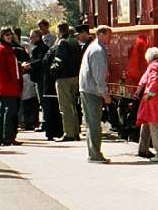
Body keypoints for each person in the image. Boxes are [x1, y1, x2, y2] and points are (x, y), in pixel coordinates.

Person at [79, 24, 113, 163]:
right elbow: (99, 76)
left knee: (90, 122)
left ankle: (93, 153)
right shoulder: (98, 51)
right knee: (94, 123)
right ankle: (95, 155)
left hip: (87, 88)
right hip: (92, 91)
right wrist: (105, 94)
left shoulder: (93, 47)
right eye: (109, 35)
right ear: (101, 34)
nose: (110, 38)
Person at [135, 47, 158, 162]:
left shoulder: (154, 66)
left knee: (156, 127)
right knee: (152, 125)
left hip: (155, 101)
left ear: (149, 58)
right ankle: (143, 149)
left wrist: (149, 94)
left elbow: (154, 81)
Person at [48, 22, 84, 141]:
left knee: (65, 107)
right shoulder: (74, 42)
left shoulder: (62, 43)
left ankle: (68, 133)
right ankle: (75, 131)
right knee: (73, 105)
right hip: (74, 77)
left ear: (59, 30)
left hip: (64, 78)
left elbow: (59, 61)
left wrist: (52, 69)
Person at [0, 27, 25, 146]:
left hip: (10, 84)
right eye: (6, 34)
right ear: (2, 36)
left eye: (10, 34)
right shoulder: (1, 49)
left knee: (5, 111)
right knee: (9, 112)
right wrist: (3, 87)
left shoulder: (8, 48)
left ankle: (2, 137)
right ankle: (7, 137)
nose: (9, 36)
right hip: (7, 86)